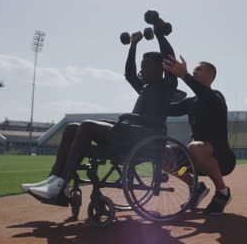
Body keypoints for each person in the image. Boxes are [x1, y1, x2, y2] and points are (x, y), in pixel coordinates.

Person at [21, 26, 177, 204]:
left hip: (143, 136)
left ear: (161, 68)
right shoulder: (145, 87)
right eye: (142, 67)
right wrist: (133, 45)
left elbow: (169, 59)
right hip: (131, 131)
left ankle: (62, 184)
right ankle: (55, 178)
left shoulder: (167, 86)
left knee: (87, 125)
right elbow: (129, 74)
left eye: (146, 67)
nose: (142, 71)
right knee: (72, 128)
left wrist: (158, 31)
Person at [163, 55, 236, 215]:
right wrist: (148, 88)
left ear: (210, 76)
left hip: (220, 159)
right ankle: (195, 186)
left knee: (195, 147)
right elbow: (168, 109)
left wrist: (184, 75)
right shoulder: (190, 102)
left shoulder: (216, 97)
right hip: (194, 163)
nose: (194, 71)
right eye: (194, 69)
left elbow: (206, 95)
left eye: (198, 69)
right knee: (163, 154)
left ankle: (223, 192)